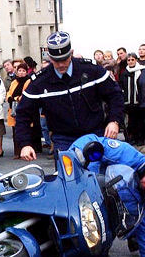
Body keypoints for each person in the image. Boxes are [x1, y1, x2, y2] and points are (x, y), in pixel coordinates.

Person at [15, 31, 124, 161]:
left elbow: (115, 95)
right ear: (49, 57)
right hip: (64, 139)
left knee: (101, 177)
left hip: (95, 134)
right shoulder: (40, 81)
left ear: (71, 53)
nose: (61, 65)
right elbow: (23, 113)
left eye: (64, 59)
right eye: (56, 61)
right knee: (69, 180)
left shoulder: (91, 70)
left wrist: (114, 121)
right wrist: (25, 144)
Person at [7, 63, 33, 158]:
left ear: (26, 72)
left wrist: (16, 98)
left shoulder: (28, 81)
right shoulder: (14, 82)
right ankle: (17, 152)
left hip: (23, 109)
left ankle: (26, 149)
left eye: (23, 71)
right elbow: (9, 93)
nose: (21, 73)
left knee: (25, 129)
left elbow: (25, 94)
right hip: (13, 109)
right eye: (19, 71)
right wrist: (10, 98)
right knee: (15, 131)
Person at [119, 53, 145, 146]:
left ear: (136, 60)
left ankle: (141, 138)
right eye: (129, 60)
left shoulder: (142, 70)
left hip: (139, 100)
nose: (130, 62)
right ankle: (133, 138)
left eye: (132, 60)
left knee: (140, 121)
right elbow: (121, 86)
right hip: (128, 101)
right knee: (131, 122)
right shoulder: (124, 73)